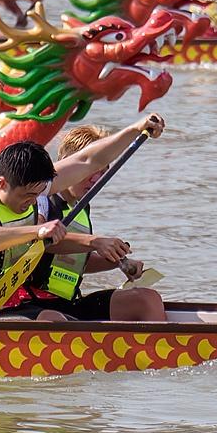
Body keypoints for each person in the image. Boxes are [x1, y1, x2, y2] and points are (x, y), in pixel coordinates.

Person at [0, 115, 165, 321]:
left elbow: (88, 160)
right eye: (28, 196)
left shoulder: (36, 186)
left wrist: (136, 129)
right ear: (2, 183)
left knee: (146, 299)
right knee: (53, 320)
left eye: (38, 194)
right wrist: (37, 232)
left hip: (16, 302)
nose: (34, 202)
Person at [26, 123, 164, 322]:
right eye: (92, 171)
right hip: (32, 303)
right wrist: (96, 241)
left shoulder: (81, 206)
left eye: (103, 172)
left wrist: (118, 262)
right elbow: (38, 242)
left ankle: (157, 351)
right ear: (68, 164)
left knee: (147, 299)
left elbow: (73, 260)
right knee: (54, 320)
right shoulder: (39, 198)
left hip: (69, 302)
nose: (96, 180)